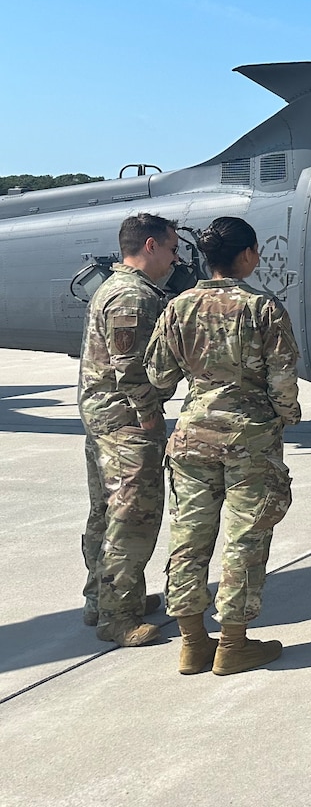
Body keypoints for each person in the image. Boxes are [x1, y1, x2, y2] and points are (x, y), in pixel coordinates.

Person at [146, 216, 300, 675]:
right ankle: (233, 644)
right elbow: (283, 382)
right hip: (249, 440)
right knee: (245, 539)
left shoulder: (178, 307)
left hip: (193, 438)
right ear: (249, 254)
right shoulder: (263, 308)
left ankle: (192, 644)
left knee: (189, 539)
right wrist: (284, 417)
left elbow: (158, 376)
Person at [77, 212, 180, 646]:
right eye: (173, 249)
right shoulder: (131, 297)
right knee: (132, 514)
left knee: (105, 509)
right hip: (125, 420)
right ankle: (118, 618)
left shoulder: (118, 288)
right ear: (151, 245)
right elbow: (130, 366)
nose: (176, 259)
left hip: (106, 415)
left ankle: (102, 598)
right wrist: (150, 413)